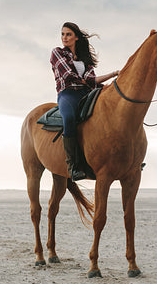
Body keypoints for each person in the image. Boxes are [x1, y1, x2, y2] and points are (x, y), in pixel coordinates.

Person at [50, 22, 119, 181]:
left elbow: (92, 79)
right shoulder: (57, 53)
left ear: (76, 37)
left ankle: (124, 158)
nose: (64, 38)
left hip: (86, 92)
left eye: (68, 34)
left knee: (112, 112)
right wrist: (88, 82)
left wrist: (114, 73)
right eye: (62, 34)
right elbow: (68, 75)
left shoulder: (84, 59)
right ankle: (73, 166)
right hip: (68, 93)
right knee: (69, 118)